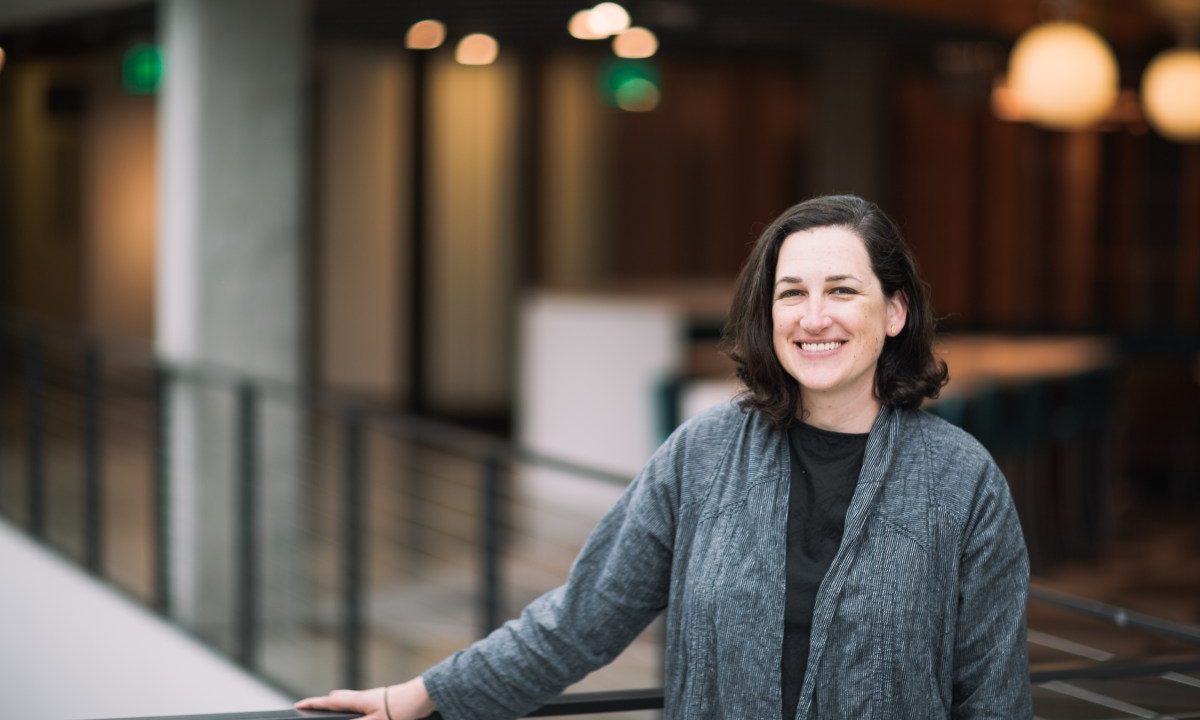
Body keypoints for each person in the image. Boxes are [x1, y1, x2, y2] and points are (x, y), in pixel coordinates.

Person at [296, 194, 1032, 719]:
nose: (814, 317)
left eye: (842, 290)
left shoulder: (960, 480)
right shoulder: (704, 454)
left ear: (894, 311)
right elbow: (583, 618)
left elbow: (994, 697)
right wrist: (421, 695)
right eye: (791, 293)